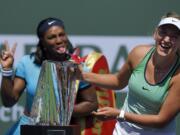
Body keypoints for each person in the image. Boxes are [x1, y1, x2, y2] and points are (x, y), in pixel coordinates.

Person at [77, 11, 180, 135]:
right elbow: (118, 81)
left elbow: (161, 120)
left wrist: (119, 114)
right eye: (163, 32)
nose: (167, 39)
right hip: (123, 131)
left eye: (174, 36)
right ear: (155, 34)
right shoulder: (138, 54)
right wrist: (82, 76)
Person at [0, 17, 98, 135]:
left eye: (61, 35)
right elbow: (9, 102)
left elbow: (91, 103)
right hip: (27, 129)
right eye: (51, 37)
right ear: (43, 42)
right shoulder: (27, 63)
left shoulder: (78, 68)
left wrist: (59, 111)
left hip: (59, 130)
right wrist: (6, 70)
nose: (58, 40)